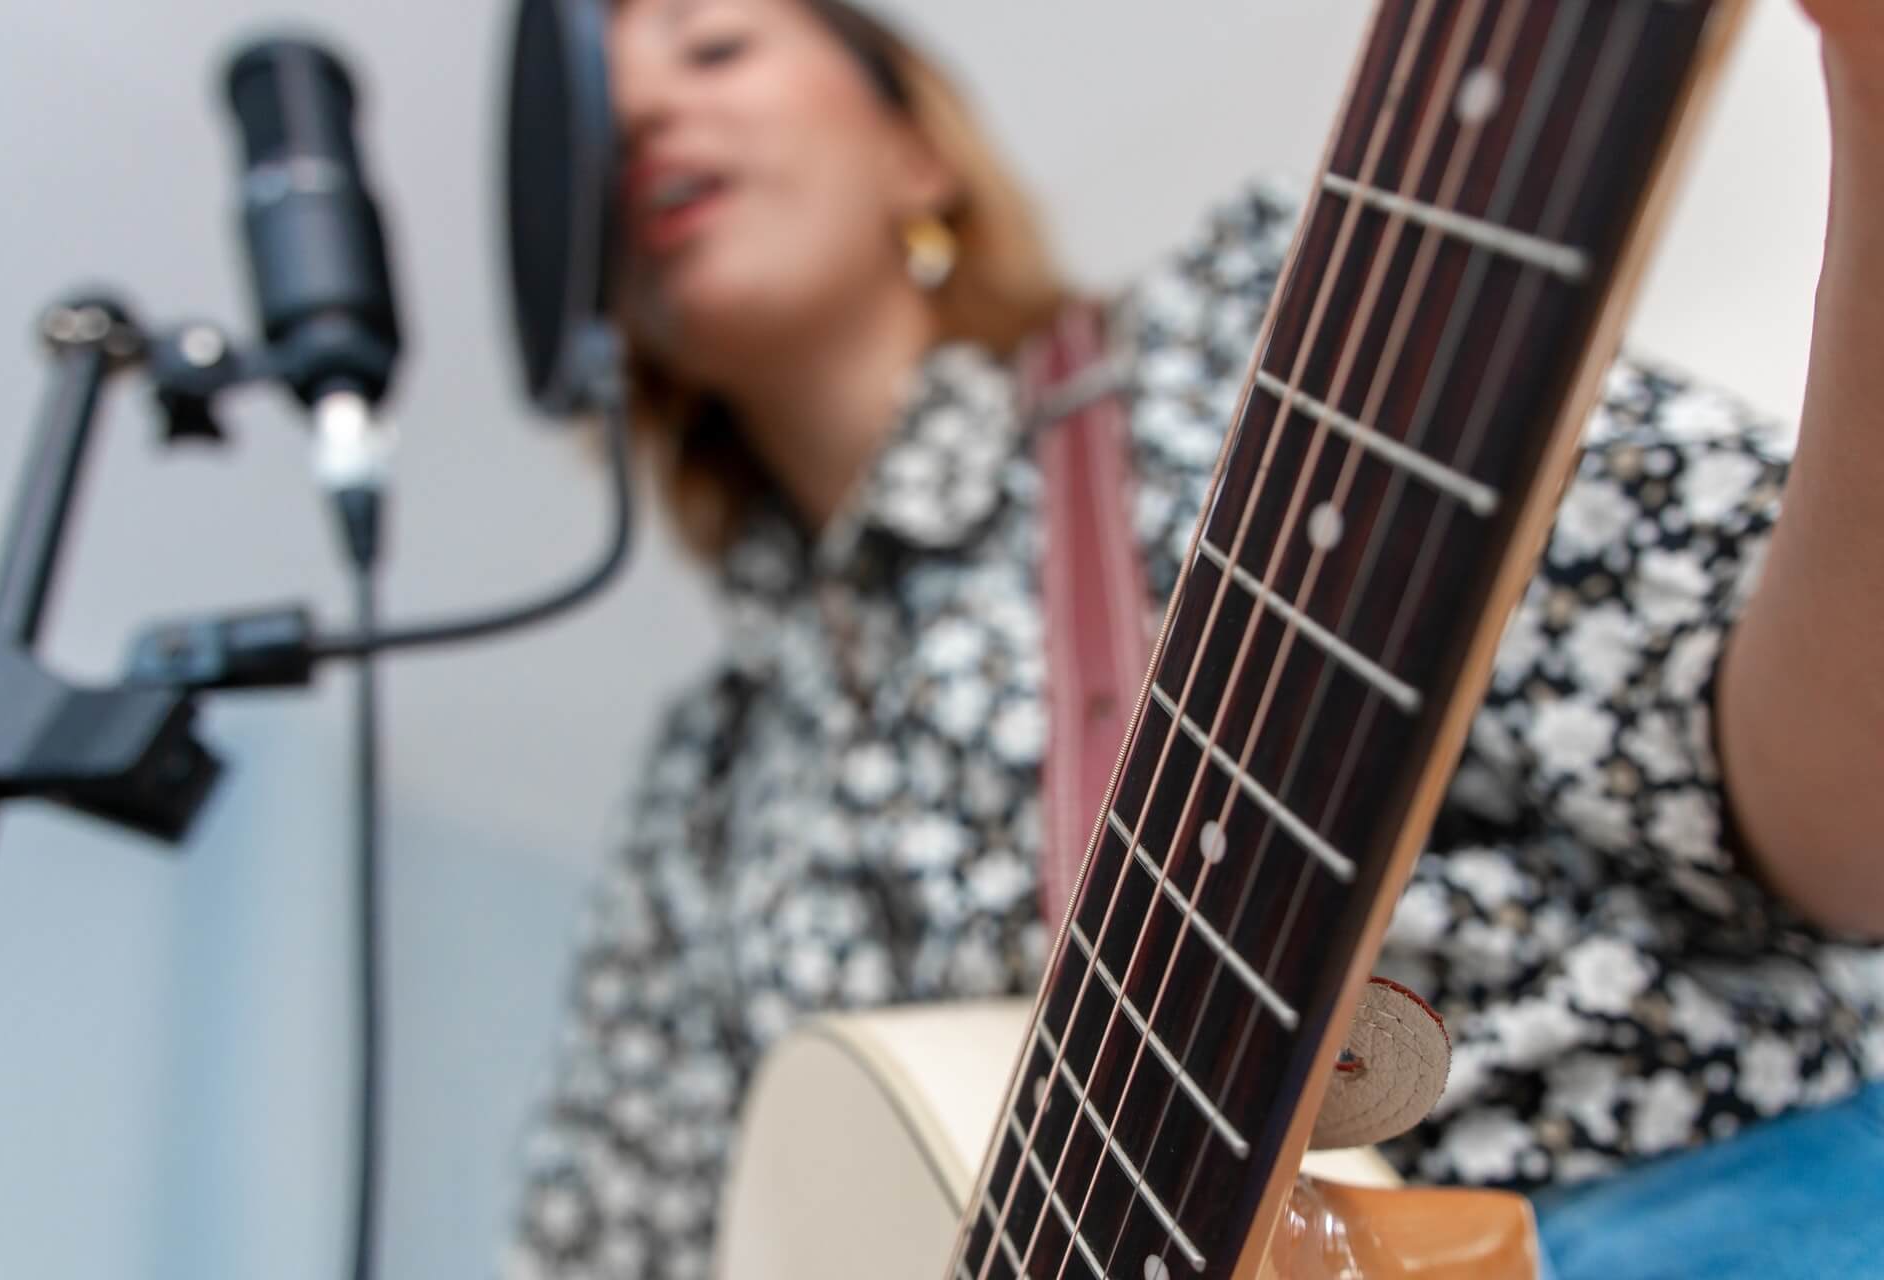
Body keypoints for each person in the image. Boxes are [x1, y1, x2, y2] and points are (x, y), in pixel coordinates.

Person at [507, 2, 1884, 1277]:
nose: (643, 116)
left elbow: (1845, 825)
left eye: (713, 44)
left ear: (919, 153)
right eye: (595, 114)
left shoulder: (1247, 344)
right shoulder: (699, 790)